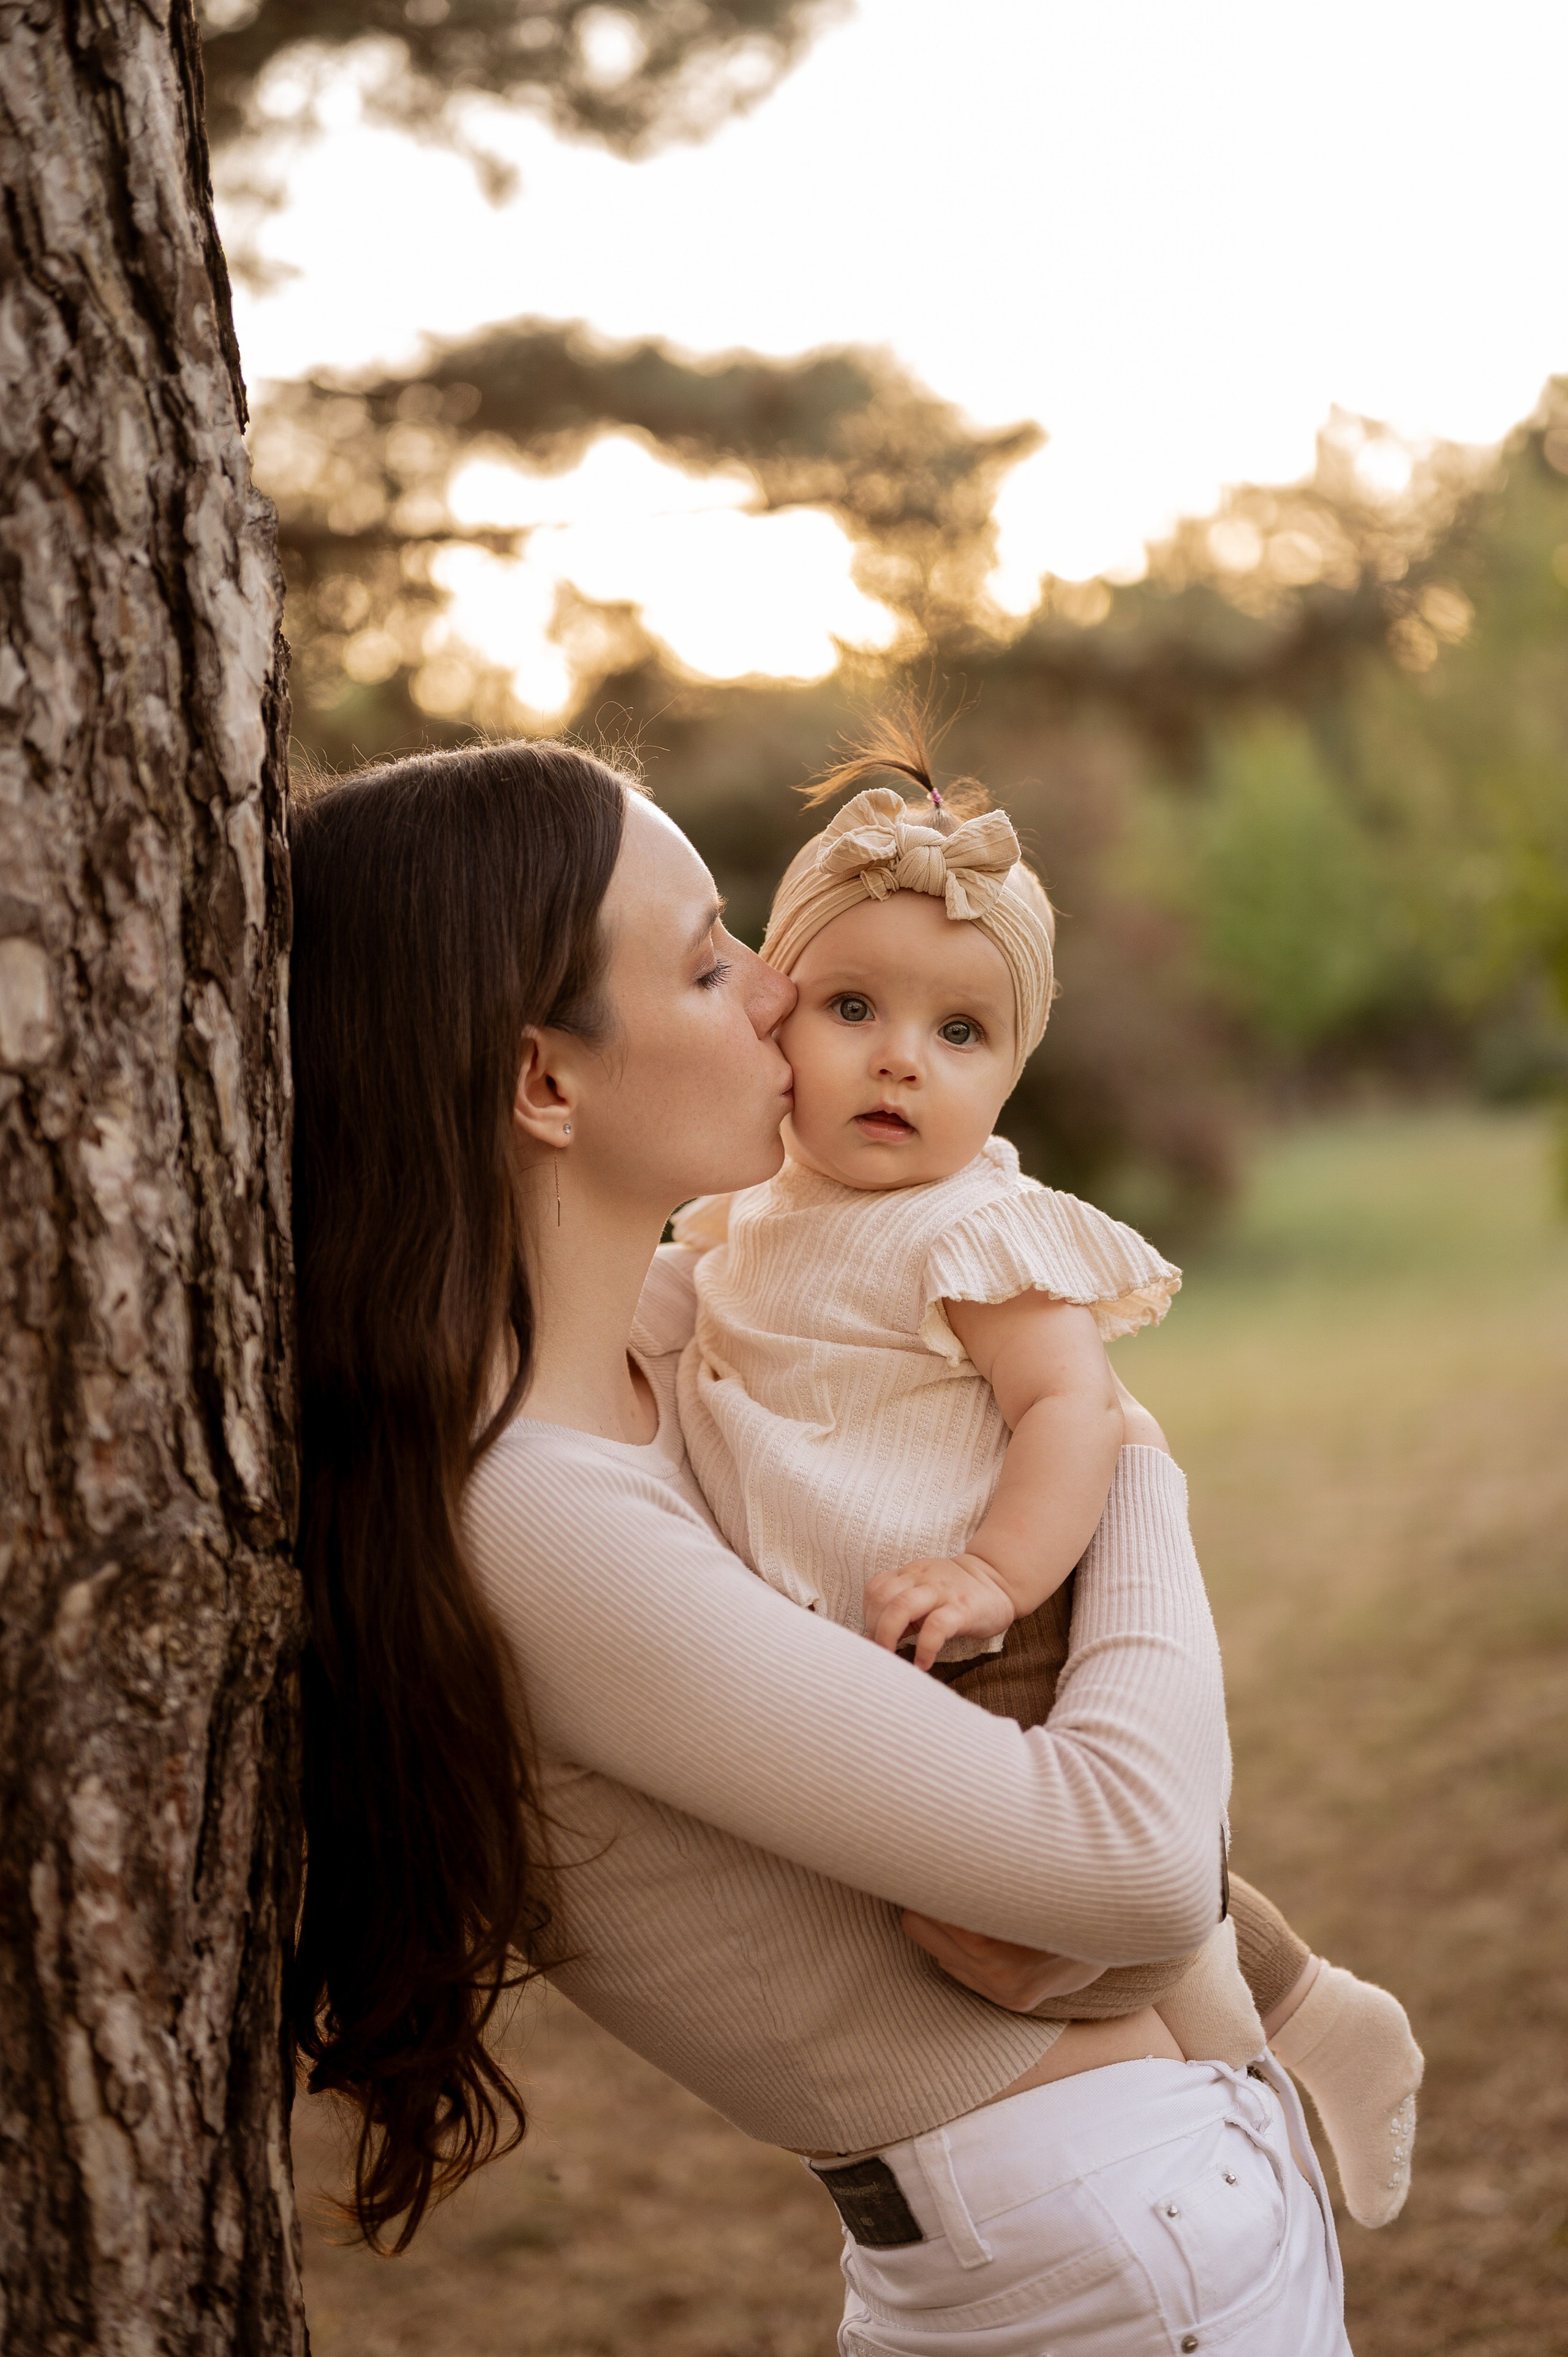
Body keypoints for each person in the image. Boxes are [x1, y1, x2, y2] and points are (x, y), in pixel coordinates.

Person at [288, 738, 1352, 2354]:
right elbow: (1135, 1863)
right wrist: (1132, 1459)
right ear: (544, 1082)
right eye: (708, 963)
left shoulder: (674, 1354)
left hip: (1128, 2211)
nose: (778, 995)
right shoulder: (531, 1515)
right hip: (1088, 2260)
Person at [673, 725, 1423, 2236]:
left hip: (988, 1630)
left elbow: (1072, 1409)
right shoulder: (742, 1217)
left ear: (1012, 1071)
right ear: (773, 1014)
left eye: (959, 1032)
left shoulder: (970, 1229)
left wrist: (996, 1574)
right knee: (991, 1928)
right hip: (864, 1646)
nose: (900, 1056)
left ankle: (1261, 2082)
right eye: (851, 1007)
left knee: (1016, 1934)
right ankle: (1300, 2033)